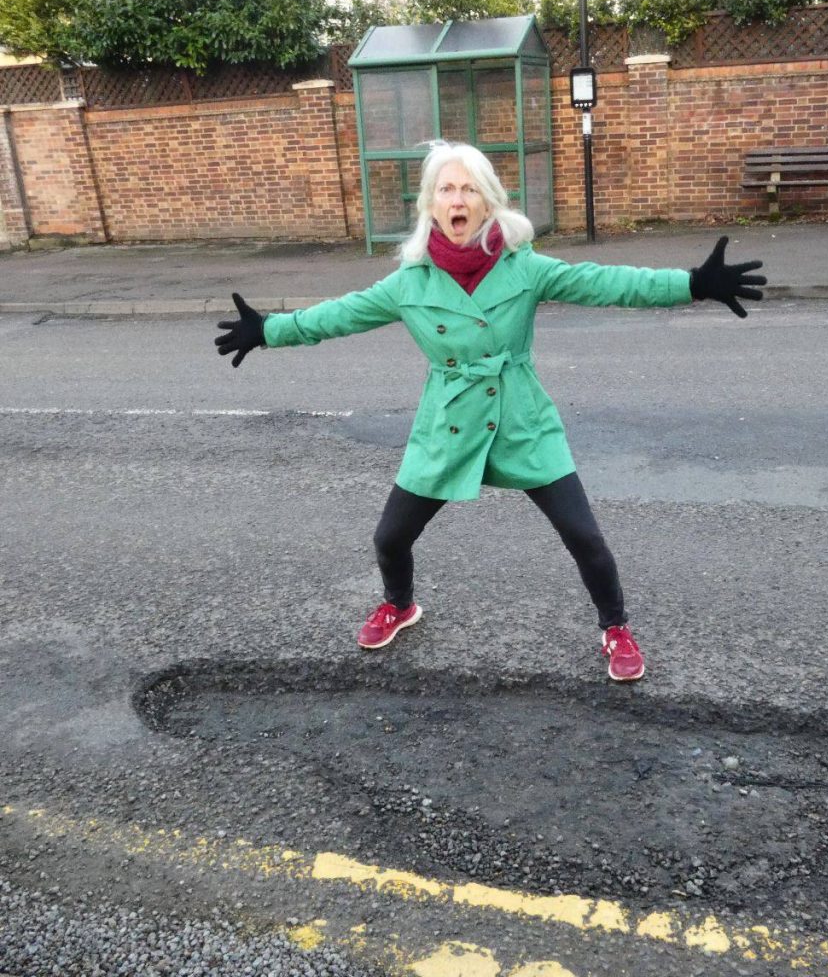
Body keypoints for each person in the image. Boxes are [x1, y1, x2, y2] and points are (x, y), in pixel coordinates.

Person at [215, 141, 765, 682]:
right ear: (431, 203)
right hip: (449, 419)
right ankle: (400, 605)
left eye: (469, 189)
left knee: (585, 538)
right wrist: (268, 330)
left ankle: (615, 627)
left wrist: (691, 284)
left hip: (520, 415)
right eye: (446, 189)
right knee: (390, 538)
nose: (457, 199)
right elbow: (335, 316)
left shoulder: (524, 267)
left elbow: (605, 282)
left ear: (488, 202)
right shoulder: (408, 284)